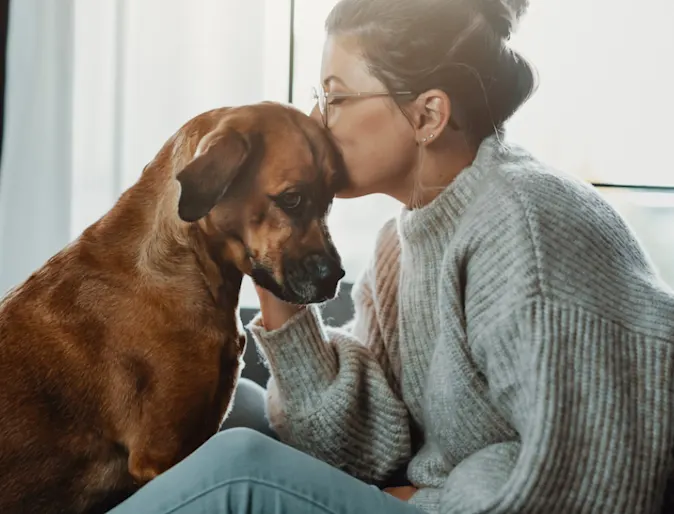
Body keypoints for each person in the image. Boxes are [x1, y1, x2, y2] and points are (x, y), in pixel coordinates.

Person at [109, 0, 674, 513]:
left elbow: (591, 475)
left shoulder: (526, 223)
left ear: (427, 115)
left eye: (336, 97)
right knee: (242, 406)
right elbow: (359, 447)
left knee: (237, 469)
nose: (314, 119)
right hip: (435, 494)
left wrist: (428, 500)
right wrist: (270, 259)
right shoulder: (401, 243)